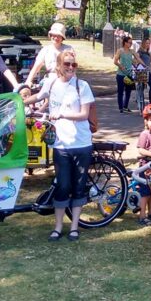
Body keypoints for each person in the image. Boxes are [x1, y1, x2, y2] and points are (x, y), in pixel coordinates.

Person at [23, 49, 95, 242]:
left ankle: (74, 227)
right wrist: (19, 102)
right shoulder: (51, 83)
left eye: (74, 64)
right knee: (63, 186)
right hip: (61, 145)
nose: (71, 67)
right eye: (67, 64)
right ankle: (57, 227)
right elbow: (37, 97)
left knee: (78, 187)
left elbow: (83, 115)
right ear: (59, 66)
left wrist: (62, 114)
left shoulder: (82, 86)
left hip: (81, 143)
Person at [113, 36, 144, 113]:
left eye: (131, 43)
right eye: (129, 42)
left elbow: (138, 58)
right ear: (125, 43)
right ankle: (121, 108)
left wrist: (144, 65)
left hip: (129, 74)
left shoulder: (132, 51)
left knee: (128, 91)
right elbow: (115, 61)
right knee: (120, 91)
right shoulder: (120, 51)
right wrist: (121, 66)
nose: (130, 44)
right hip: (120, 74)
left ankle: (125, 106)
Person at [135, 36, 151, 103]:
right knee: (142, 87)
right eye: (146, 43)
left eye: (149, 43)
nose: (148, 44)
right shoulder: (140, 51)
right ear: (143, 43)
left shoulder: (148, 52)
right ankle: (140, 100)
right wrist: (142, 64)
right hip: (141, 71)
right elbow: (136, 58)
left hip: (148, 71)